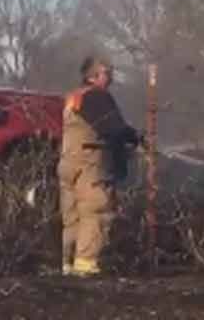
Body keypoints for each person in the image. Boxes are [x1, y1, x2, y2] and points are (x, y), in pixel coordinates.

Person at [59, 55, 140, 277]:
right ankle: (85, 265)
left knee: (71, 214)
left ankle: (67, 264)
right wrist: (135, 138)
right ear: (93, 76)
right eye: (107, 72)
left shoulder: (74, 97)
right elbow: (113, 128)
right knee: (96, 209)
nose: (111, 76)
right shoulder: (98, 96)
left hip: (68, 163)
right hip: (90, 164)